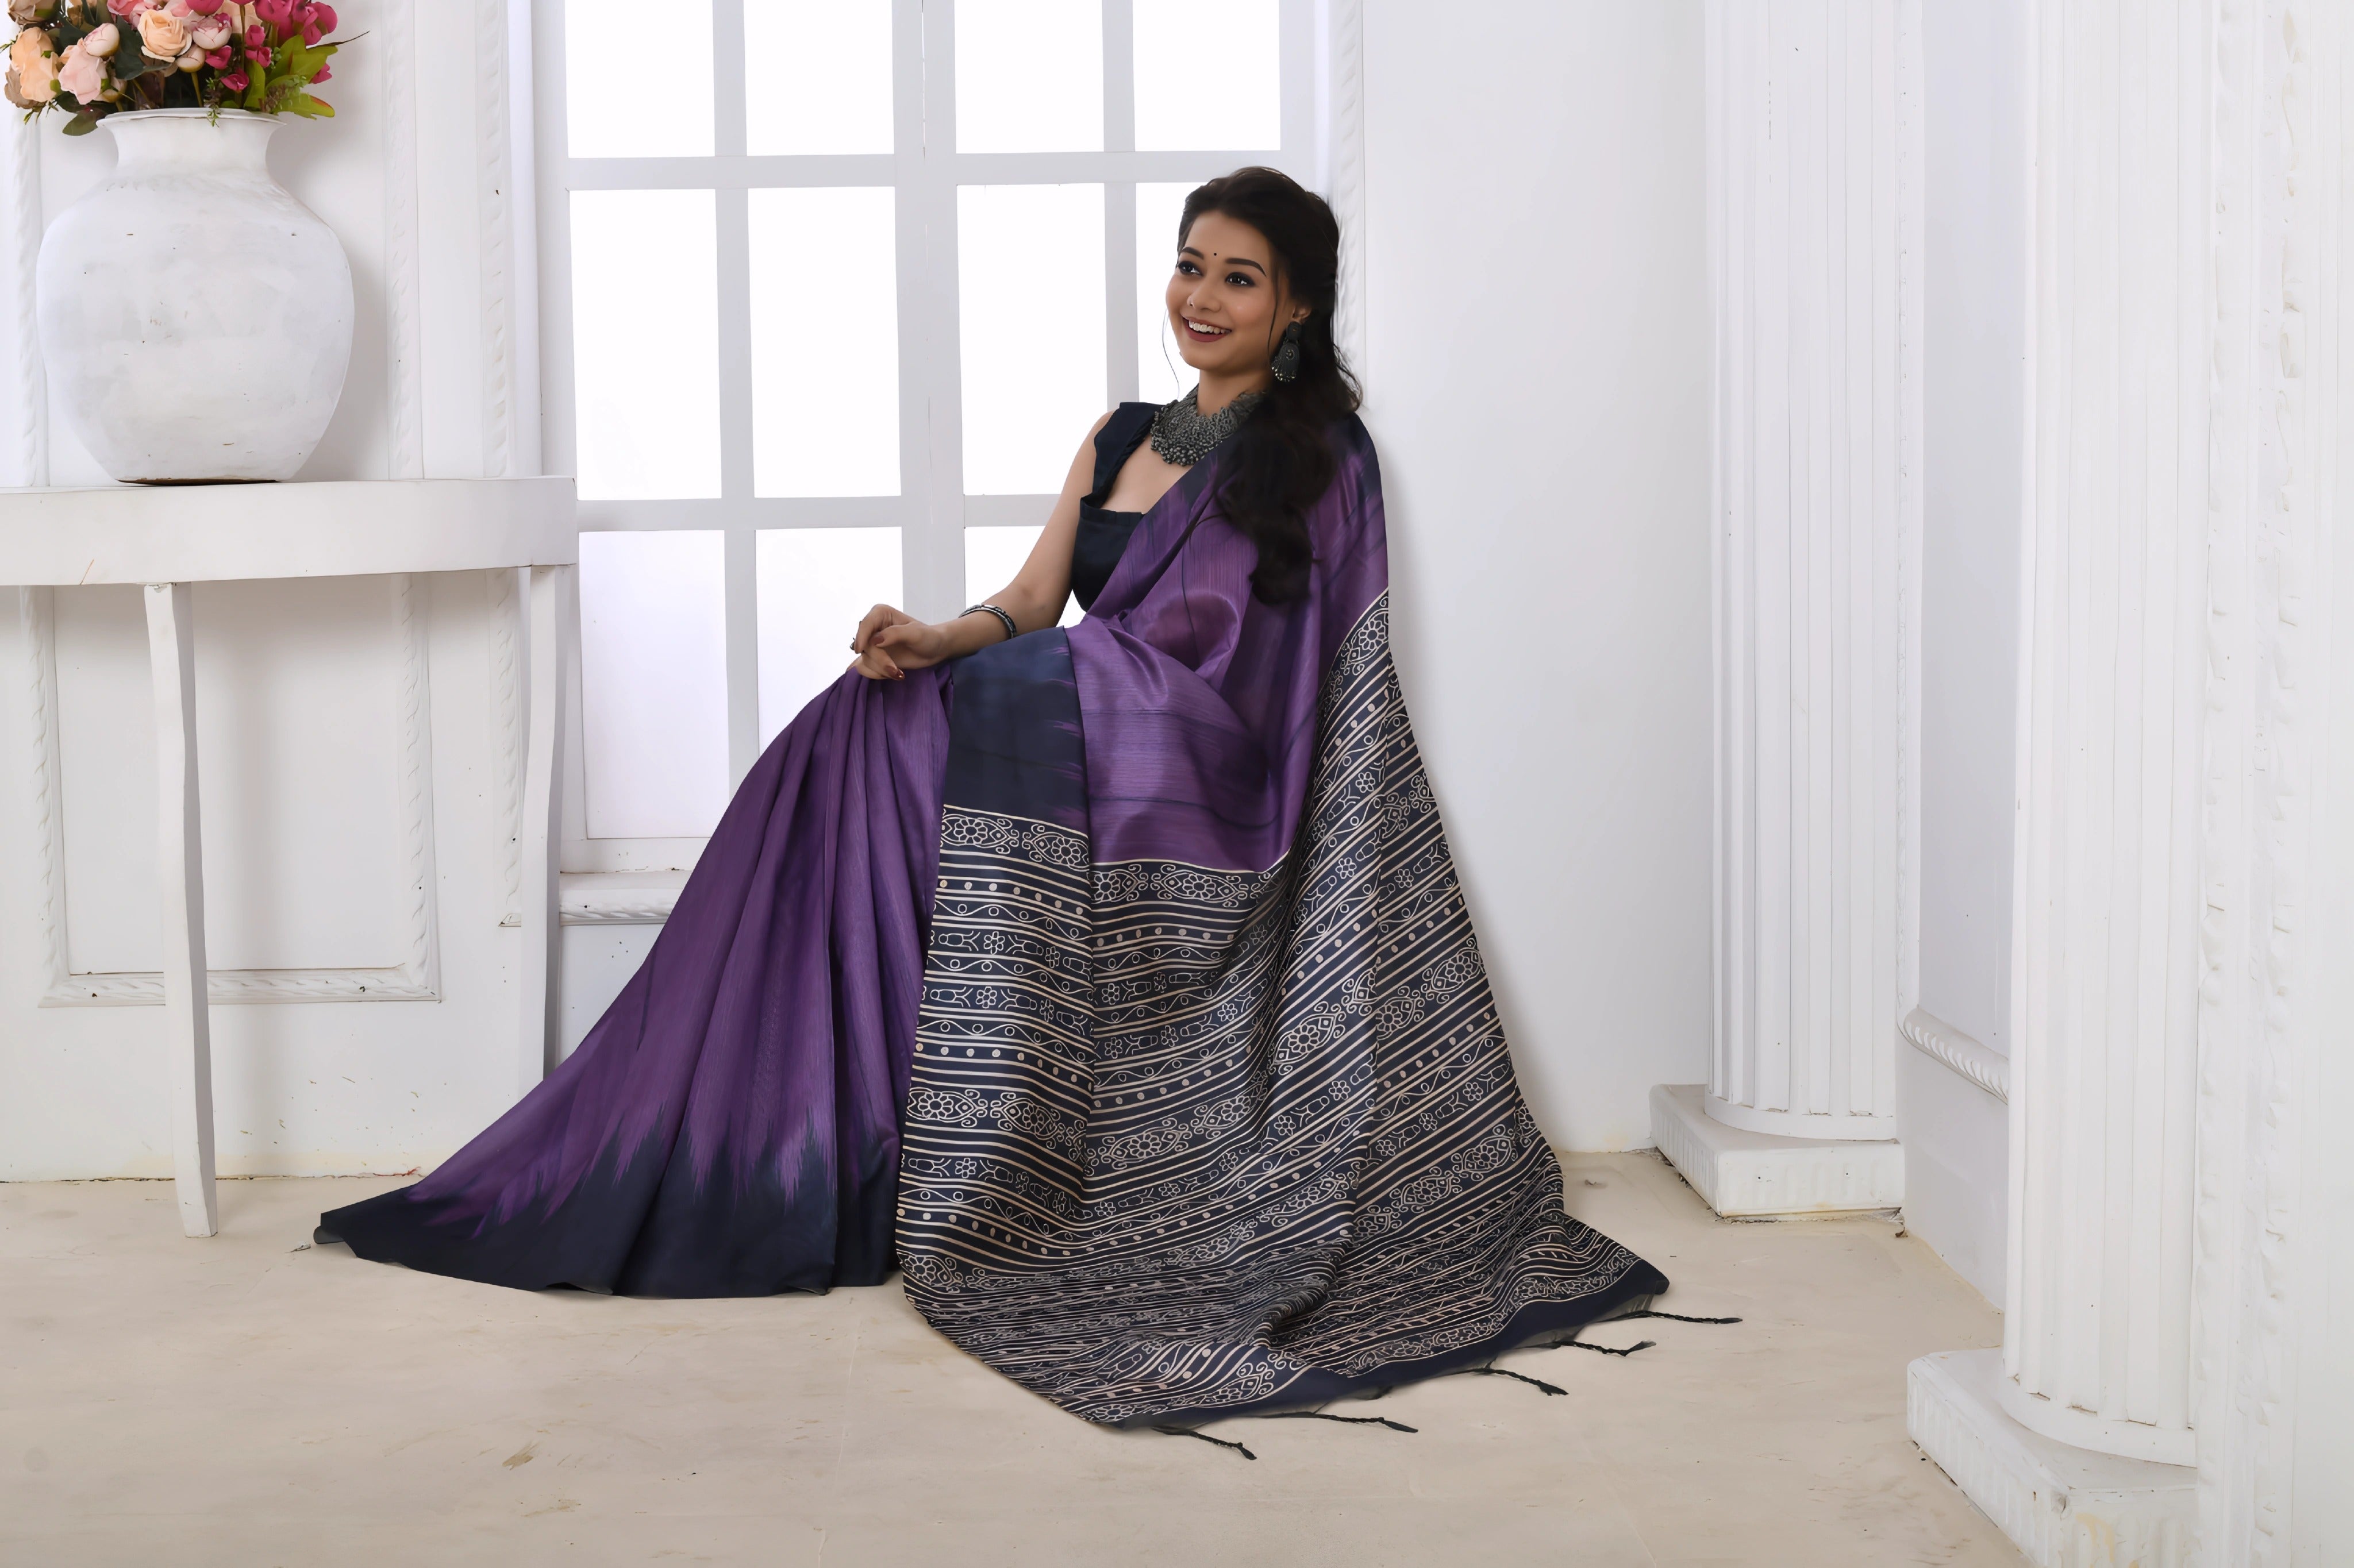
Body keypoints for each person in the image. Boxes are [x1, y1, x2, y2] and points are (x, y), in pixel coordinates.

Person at [319, 167, 1667, 1430]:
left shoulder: (1323, 457)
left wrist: (1072, 672)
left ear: (1298, 303)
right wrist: (931, 635)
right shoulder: (1121, 435)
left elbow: (1306, 678)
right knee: (860, 716)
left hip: (1210, 775)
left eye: (1238, 279)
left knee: (1011, 697)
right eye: (1188, 267)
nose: (1199, 297)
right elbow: (1031, 603)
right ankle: (830, 1144)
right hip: (1082, 717)